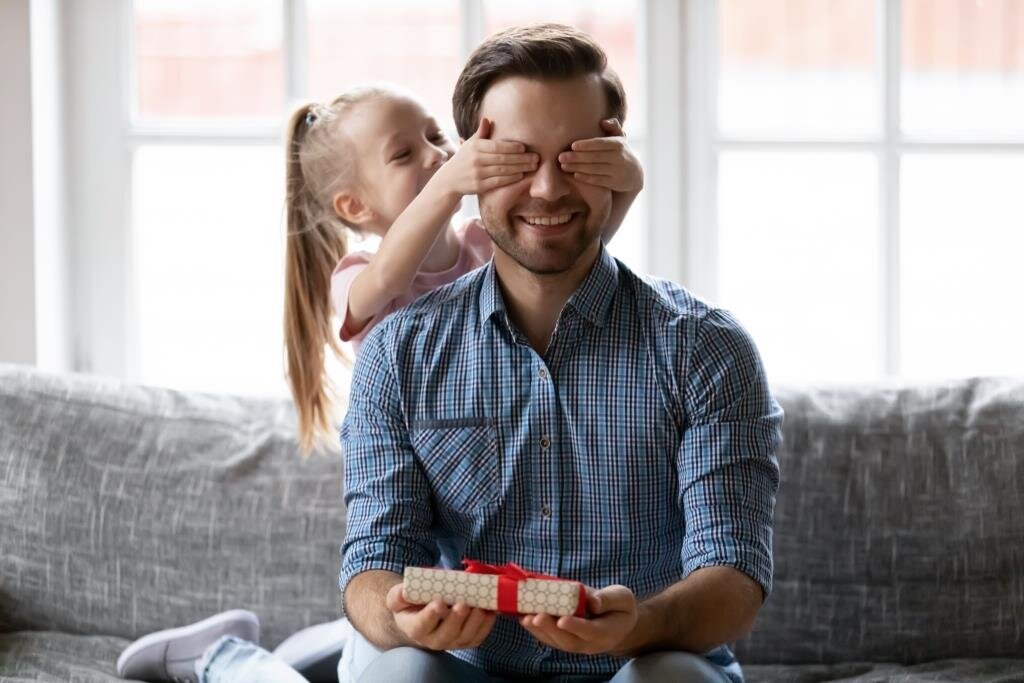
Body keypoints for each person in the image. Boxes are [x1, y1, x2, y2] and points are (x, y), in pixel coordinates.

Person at [115, 67, 643, 682]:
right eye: (404, 154)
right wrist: (447, 186)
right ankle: (218, 656)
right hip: (394, 499)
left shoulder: (481, 240)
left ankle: (314, 643)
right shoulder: (362, 273)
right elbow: (389, 280)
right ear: (354, 207)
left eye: (434, 136)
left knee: (349, 651)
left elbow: (576, 244)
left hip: (454, 550)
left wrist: (627, 182)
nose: (438, 155)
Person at [339, 23, 783, 683]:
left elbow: (735, 573)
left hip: (640, 663)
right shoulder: (401, 352)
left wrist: (643, 624)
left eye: (577, 158)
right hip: (467, 668)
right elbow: (372, 562)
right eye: (517, 160)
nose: (547, 189)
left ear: (613, 159)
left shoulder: (706, 349)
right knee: (398, 673)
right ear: (471, 170)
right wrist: (400, 617)